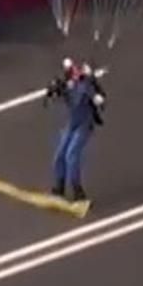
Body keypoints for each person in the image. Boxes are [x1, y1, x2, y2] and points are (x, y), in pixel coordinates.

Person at [45, 59, 105, 203]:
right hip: (72, 123)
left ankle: (78, 192)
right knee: (60, 155)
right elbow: (57, 92)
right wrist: (53, 91)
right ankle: (59, 188)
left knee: (71, 155)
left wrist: (98, 98)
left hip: (84, 124)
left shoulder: (86, 86)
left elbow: (99, 97)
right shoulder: (68, 84)